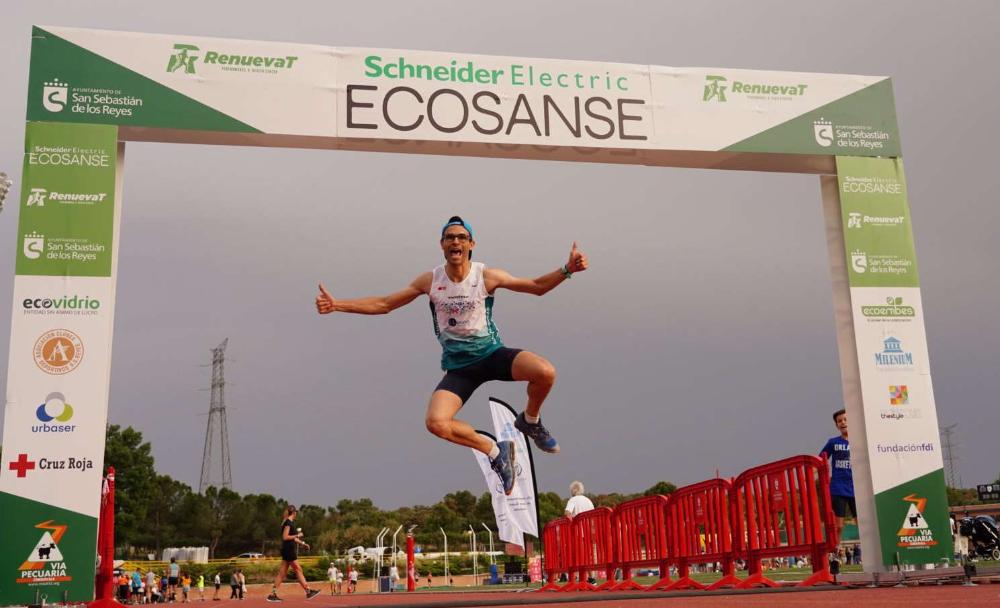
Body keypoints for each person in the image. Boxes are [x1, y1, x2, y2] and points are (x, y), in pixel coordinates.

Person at [315, 216, 589, 494]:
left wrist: (568, 269)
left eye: (461, 237)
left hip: (491, 354)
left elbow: (536, 286)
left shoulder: (486, 276)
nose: (455, 241)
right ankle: (495, 451)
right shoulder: (430, 281)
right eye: (449, 237)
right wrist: (337, 304)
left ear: (471, 244)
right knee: (436, 423)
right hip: (460, 368)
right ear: (442, 245)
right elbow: (384, 304)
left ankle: (530, 420)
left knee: (545, 372)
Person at [266, 505, 321, 602]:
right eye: (296, 512)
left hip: (287, 549)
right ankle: (308, 591)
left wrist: (302, 543)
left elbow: (292, 538)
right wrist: (298, 534)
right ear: (294, 512)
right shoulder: (288, 523)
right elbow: (285, 537)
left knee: (282, 573)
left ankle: (272, 594)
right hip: (289, 550)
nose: (296, 514)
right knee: (298, 569)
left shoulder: (289, 522)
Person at [820, 408, 855, 559]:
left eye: (846, 420)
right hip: (838, 488)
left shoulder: (860, 440)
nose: (843, 423)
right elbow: (821, 459)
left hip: (856, 488)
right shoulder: (833, 442)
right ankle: (834, 554)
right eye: (839, 421)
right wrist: (813, 476)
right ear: (836, 425)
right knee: (839, 525)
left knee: (863, 523)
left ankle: (871, 554)